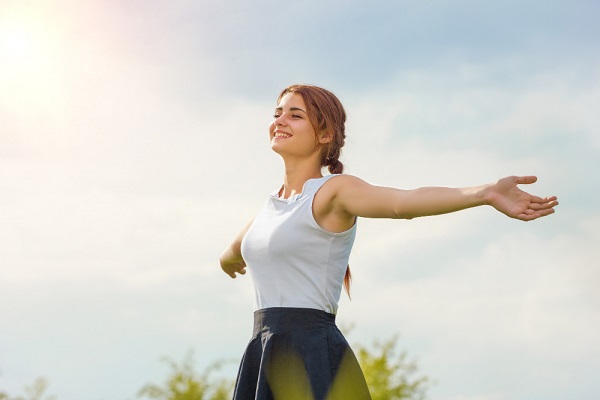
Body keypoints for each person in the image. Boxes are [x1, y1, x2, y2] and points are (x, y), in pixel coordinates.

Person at [219, 84, 558, 400]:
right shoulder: (270, 208)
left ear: (324, 134)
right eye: (277, 112)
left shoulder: (333, 192)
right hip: (262, 350)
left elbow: (402, 203)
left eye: (295, 115)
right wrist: (229, 260)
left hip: (311, 352)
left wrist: (485, 193)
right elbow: (235, 250)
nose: (280, 120)